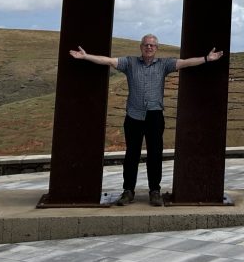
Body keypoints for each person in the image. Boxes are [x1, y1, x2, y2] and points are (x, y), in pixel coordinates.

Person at [69, 34, 223, 206]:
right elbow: (109, 61)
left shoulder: (164, 64)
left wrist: (206, 59)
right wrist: (86, 56)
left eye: (152, 45)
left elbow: (186, 62)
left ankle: (155, 192)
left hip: (154, 116)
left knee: (155, 155)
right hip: (133, 116)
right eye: (146, 45)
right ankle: (128, 191)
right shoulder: (130, 63)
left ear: (157, 48)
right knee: (131, 155)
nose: (149, 47)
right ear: (141, 47)